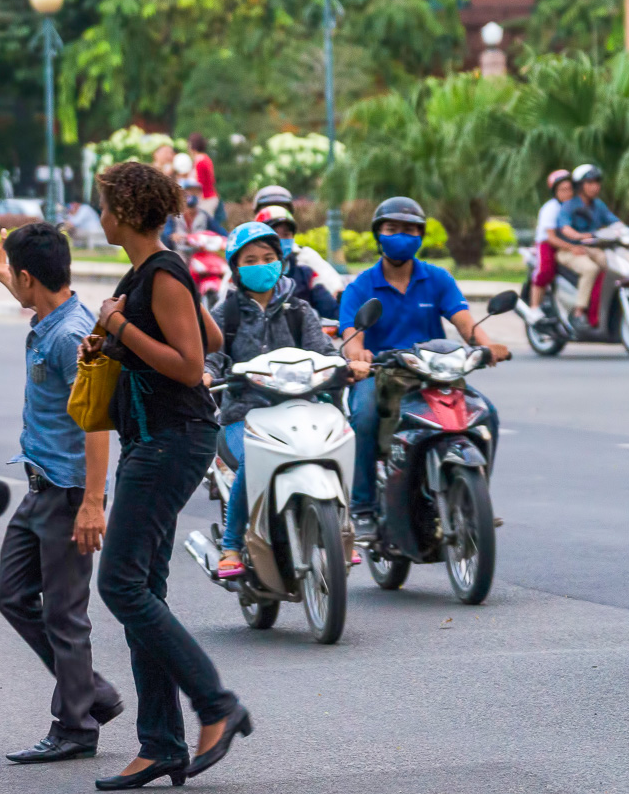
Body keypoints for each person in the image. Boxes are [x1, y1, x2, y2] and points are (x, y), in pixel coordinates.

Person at [83, 160, 250, 790]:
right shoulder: (151, 273)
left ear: (122, 212)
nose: (98, 215)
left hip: (171, 441)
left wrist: (119, 325)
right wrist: (114, 344)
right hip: (155, 440)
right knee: (142, 589)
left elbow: (189, 364)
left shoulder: (160, 272)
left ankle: (216, 705)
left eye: (103, 205)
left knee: (121, 585)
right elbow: (204, 334)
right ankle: (160, 745)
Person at [0, 219, 124, 763]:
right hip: (39, 489)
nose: (14, 283)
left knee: (64, 613)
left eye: (16, 275)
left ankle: (77, 725)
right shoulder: (51, 312)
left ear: (31, 276)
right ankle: (92, 691)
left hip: (67, 493)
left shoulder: (71, 337)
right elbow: (32, 292)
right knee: (12, 594)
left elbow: (96, 423)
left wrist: (91, 504)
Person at [337, 196, 510, 536]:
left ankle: (475, 498)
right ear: (378, 234)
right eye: (392, 229)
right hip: (383, 374)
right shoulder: (360, 287)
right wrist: (358, 356)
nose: (401, 235)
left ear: (421, 235)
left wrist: (487, 346)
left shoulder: (437, 279)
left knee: (487, 413)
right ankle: (363, 508)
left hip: (435, 371)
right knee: (366, 416)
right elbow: (352, 336)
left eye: (410, 229)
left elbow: (465, 324)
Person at [205, 222, 362, 578]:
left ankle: (342, 528)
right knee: (253, 458)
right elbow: (212, 356)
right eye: (251, 259)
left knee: (341, 440)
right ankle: (231, 545)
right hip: (243, 416)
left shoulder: (300, 311)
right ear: (236, 268)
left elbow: (324, 353)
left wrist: (346, 367)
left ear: (281, 261)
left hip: (302, 410)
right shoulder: (224, 315)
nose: (262, 265)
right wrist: (206, 373)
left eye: (269, 257)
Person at [555, 163, 620, 328]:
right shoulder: (570, 205)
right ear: (580, 185)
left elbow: (615, 222)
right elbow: (565, 228)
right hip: (570, 250)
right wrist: (578, 236)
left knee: (614, 265)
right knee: (590, 269)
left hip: (593, 248)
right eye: (589, 183)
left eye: (597, 182)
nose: (594, 187)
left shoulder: (598, 205)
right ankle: (579, 311)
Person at [252, 205, 338, 321]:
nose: (281, 239)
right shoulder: (248, 275)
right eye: (274, 234)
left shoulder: (306, 274)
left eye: (286, 235)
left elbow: (331, 312)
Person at [531, 169, 575, 309]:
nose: (567, 193)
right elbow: (551, 238)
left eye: (569, 189)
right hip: (548, 244)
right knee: (545, 271)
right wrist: (572, 247)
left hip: (568, 244)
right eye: (563, 190)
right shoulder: (551, 208)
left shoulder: (575, 206)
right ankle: (534, 306)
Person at [187, 132, 223, 230]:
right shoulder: (206, 158)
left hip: (206, 199)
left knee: (203, 225)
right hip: (210, 197)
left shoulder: (200, 161)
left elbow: (200, 183)